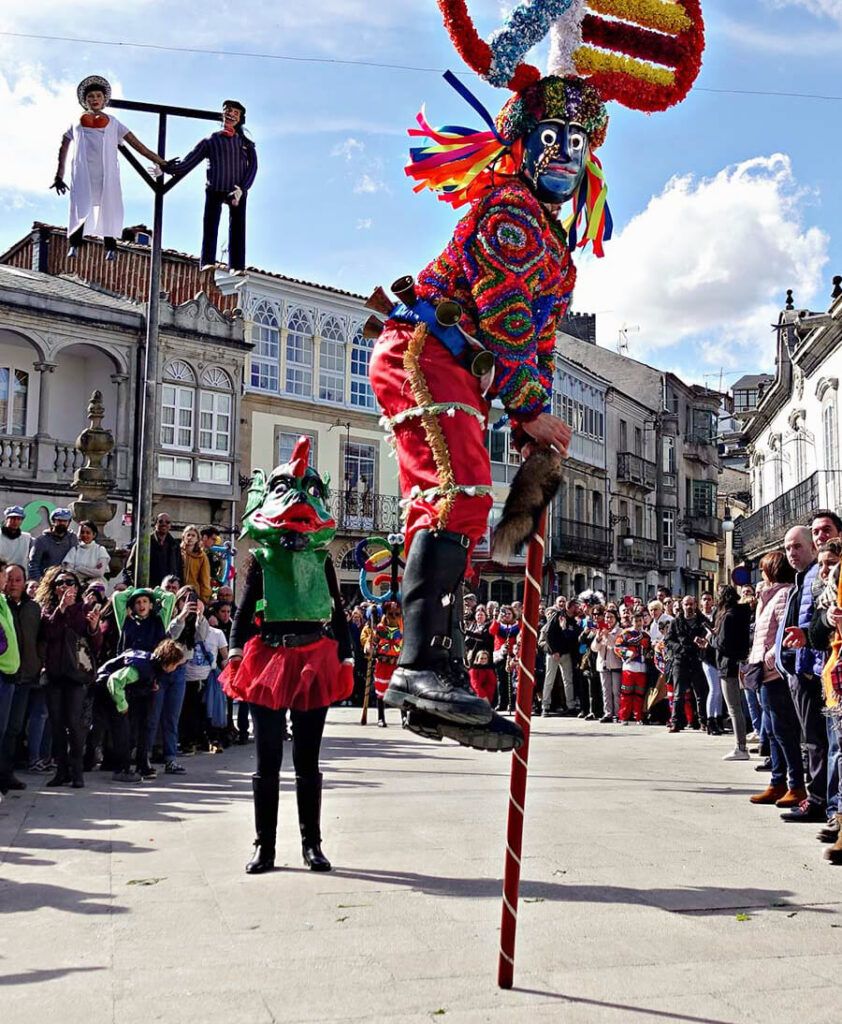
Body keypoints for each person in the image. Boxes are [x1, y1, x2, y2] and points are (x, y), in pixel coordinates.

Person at [220, 439, 353, 874]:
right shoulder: (262, 560)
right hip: (270, 661)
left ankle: (311, 845)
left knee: (308, 761)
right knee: (267, 759)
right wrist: (236, 655)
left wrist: (347, 657)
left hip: (315, 659)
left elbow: (338, 610)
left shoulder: (323, 560)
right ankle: (265, 847)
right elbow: (242, 613)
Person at [51, 75, 167, 260]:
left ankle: (110, 247)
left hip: (106, 172)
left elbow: (139, 146)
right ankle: (74, 244)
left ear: (104, 99)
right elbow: (63, 147)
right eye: (91, 96)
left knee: (109, 205)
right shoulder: (75, 123)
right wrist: (59, 176)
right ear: (85, 100)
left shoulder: (114, 122)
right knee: (81, 205)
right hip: (83, 171)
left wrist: (161, 162)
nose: (94, 99)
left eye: (98, 96)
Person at [774, 526, 829, 823]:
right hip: (798, 669)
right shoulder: (802, 579)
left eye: (797, 546)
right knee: (810, 739)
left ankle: (818, 800)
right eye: (787, 548)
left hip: (809, 671)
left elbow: (815, 623)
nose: (791, 553)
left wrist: (805, 668)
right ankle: (816, 796)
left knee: (816, 740)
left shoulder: (814, 577)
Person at [164, 100, 257, 272]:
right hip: (215, 187)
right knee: (210, 225)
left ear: (240, 118)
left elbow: (253, 168)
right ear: (222, 114)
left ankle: (236, 265)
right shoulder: (212, 140)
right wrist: (168, 168)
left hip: (237, 190)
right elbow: (189, 161)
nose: (231, 115)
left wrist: (243, 188)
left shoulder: (246, 144)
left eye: (235, 113)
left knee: (238, 227)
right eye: (228, 111)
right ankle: (207, 261)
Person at [37, 568, 102, 787]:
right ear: (54, 589)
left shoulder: (84, 610)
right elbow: (49, 633)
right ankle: (61, 770)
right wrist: (62, 608)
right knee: (56, 725)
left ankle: (77, 771)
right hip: (54, 673)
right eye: (60, 583)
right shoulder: (47, 610)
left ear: (77, 587)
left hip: (76, 675)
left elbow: (95, 646)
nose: (65, 586)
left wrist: (94, 628)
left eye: (70, 582)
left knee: (74, 724)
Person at [748, 551, 803, 806]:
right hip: (764, 671)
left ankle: (795, 784)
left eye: (763, 570)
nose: (760, 575)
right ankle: (777, 781)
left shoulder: (783, 595)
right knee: (771, 730)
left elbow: (783, 631)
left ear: (771, 570)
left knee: (782, 730)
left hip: (775, 673)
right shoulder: (770, 596)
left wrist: (770, 658)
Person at [99, 639, 186, 783]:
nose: (175, 668)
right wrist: (122, 705)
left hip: (126, 693)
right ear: (169, 662)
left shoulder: (155, 666)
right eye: (175, 665)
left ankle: (141, 764)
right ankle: (122, 770)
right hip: (109, 692)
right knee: (123, 731)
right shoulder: (142, 667)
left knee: (144, 724)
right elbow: (114, 681)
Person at [0, 564, 40, 794]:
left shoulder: (33, 608)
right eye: (10, 579)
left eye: (18, 579)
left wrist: (39, 660)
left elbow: (40, 637)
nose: (13, 583)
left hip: (25, 676)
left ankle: (7, 773)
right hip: (6, 674)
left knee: (14, 728)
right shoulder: (3, 605)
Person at [709, 585, 752, 760]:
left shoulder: (728, 616)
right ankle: (741, 745)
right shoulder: (742, 613)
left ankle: (740, 747)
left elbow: (722, 643)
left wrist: (712, 638)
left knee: (734, 707)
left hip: (728, 664)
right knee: (739, 706)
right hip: (740, 660)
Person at [664, 596, 709, 733]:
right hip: (680, 660)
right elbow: (668, 641)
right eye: (686, 604)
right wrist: (679, 648)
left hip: (697, 660)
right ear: (682, 606)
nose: (689, 607)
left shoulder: (703, 621)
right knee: (678, 694)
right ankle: (676, 722)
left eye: (691, 604)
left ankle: (704, 721)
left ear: (695, 605)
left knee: (701, 693)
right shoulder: (676, 622)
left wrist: (702, 642)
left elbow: (711, 635)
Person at [124, 512, 183, 588]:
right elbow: (130, 567)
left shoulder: (174, 545)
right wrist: (138, 585)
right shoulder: (144, 542)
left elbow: (179, 569)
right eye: (160, 521)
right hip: (147, 589)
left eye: (167, 522)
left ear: (170, 525)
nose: (164, 524)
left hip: (167, 589)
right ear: (155, 524)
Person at [614, 611, 651, 725]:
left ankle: (639, 716)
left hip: (642, 668)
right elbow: (617, 647)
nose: (638, 623)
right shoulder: (626, 634)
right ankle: (624, 717)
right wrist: (629, 653)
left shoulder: (646, 635)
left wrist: (649, 654)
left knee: (639, 694)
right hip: (629, 667)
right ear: (631, 621)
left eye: (640, 620)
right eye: (636, 621)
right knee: (626, 693)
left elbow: (649, 650)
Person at [28, 508, 77, 582]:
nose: (62, 524)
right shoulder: (41, 540)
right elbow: (33, 564)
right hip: (47, 581)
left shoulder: (73, 539)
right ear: (53, 521)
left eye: (65, 521)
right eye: (59, 521)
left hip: (66, 582)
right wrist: (40, 582)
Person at [592, 608, 622, 722]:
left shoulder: (619, 631)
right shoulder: (602, 629)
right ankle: (608, 713)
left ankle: (618, 713)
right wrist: (599, 638)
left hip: (615, 664)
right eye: (606, 617)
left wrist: (607, 636)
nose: (608, 620)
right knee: (606, 690)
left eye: (611, 617)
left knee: (616, 690)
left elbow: (615, 645)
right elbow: (594, 648)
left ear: (615, 618)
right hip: (602, 664)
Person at [489, 606, 520, 714]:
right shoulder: (498, 624)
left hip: (513, 654)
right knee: (501, 680)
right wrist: (497, 619)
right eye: (504, 613)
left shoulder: (518, 625)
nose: (506, 616)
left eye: (509, 613)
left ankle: (511, 703)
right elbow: (491, 631)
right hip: (500, 655)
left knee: (512, 680)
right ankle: (501, 703)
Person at [180, 525, 213, 605]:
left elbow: (205, 579)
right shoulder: (178, 553)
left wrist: (204, 599)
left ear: (197, 539)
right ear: (183, 537)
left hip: (194, 593)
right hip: (179, 592)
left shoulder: (201, 556)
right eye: (188, 535)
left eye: (193, 535)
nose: (190, 538)